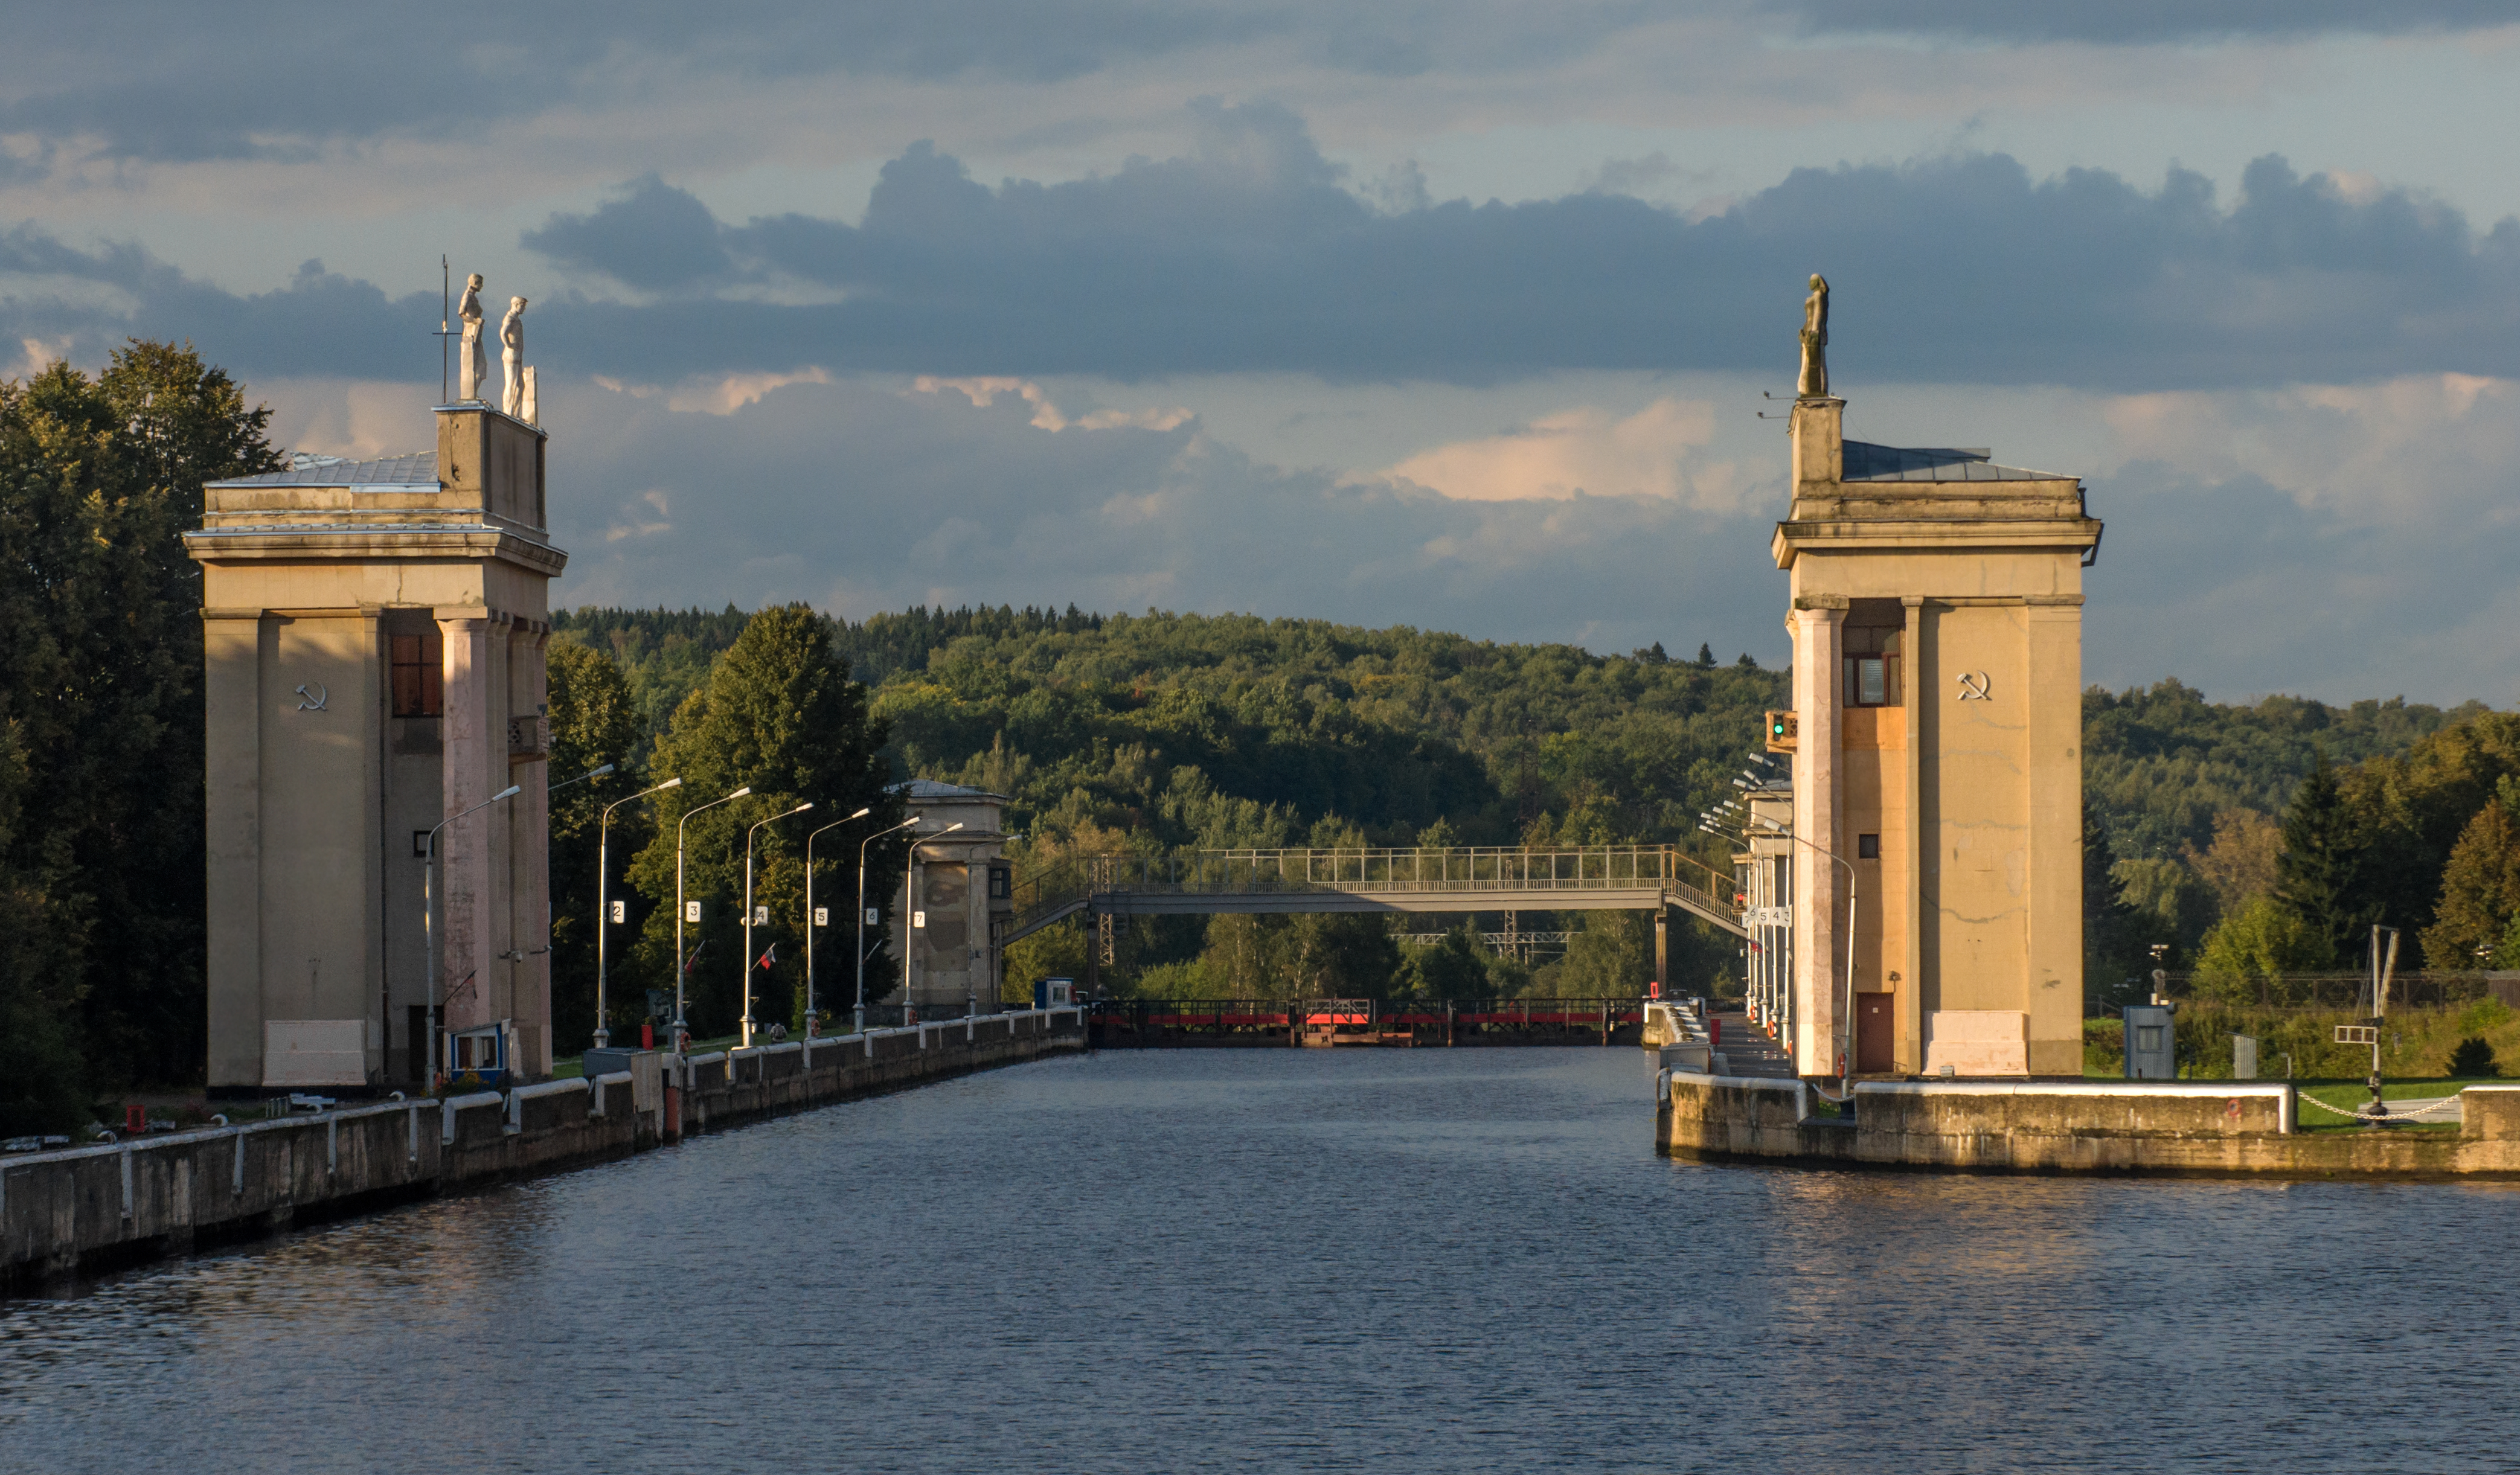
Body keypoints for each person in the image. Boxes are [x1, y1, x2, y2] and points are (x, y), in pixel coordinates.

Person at [456, 274, 486, 402]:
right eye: (480, 283)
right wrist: (474, 321)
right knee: (474, 364)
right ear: (474, 282)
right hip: (470, 332)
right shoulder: (467, 296)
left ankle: (473, 392)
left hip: (476, 332)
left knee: (482, 365)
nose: (482, 286)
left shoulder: (473, 297)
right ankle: (470, 394)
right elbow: (461, 313)